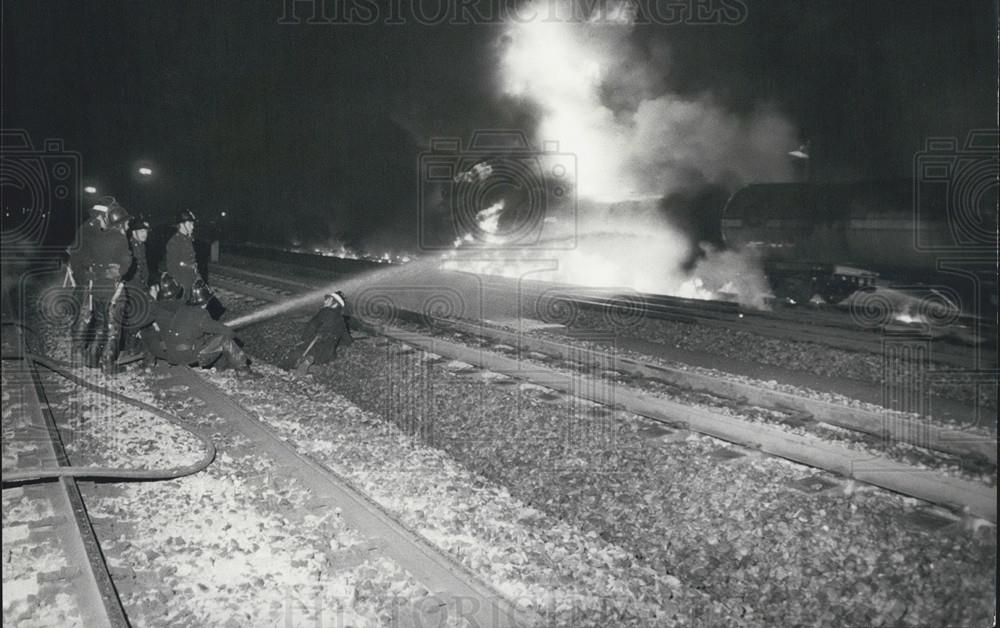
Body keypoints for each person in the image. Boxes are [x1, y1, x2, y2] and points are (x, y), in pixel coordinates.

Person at [68, 198, 133, 374]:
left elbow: (79, 255)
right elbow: (121, 264)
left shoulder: (88, 229)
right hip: (90, 283)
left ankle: (85, 358)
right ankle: (100, 361)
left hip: (91, 282)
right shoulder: (95, 232)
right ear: (103, 214)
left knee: (96, 322)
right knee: (99, 322)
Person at [140, 276, 249, 372]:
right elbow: (226, 332)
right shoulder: (201, 314)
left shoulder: (183, 309)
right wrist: (234, 335)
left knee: (206, 338)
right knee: (225, 340)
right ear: (206, 302)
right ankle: (244, 372)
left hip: (170, 354)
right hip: (187, 356)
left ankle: (219, 367)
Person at [292, 292, 353, 375]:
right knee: (322, 361)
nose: (325, 301)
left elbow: (311, 326)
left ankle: (304, 366)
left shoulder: (325, 312)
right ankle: (316, 370)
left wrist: (304, 339)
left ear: (334, 303)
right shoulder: (341, 320)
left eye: (328, 300)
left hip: (315, 345)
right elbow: (347, 340)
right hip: (328, 353)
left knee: (297, 355)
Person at [121, 215, 155, 354]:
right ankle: (129, 348)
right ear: (133, 232)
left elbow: (144, 270)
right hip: (132, 287)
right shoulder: (129, 246)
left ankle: (137, 345)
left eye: (146, 231)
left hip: (140, 286)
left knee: (143, 315)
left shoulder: (141, 246)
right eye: (141, 231)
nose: (145, 234)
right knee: (135, 318)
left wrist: (150, 285)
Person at [164, 209, 202, 300]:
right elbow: (172, 268)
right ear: (182, 225)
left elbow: (192, 262)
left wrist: (197, 280)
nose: (193, 227)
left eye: (193, 224)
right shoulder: (174, 242)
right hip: (182, 284)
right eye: (190, 224)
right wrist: (182, 288)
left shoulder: (188, 240)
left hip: (191, 280)